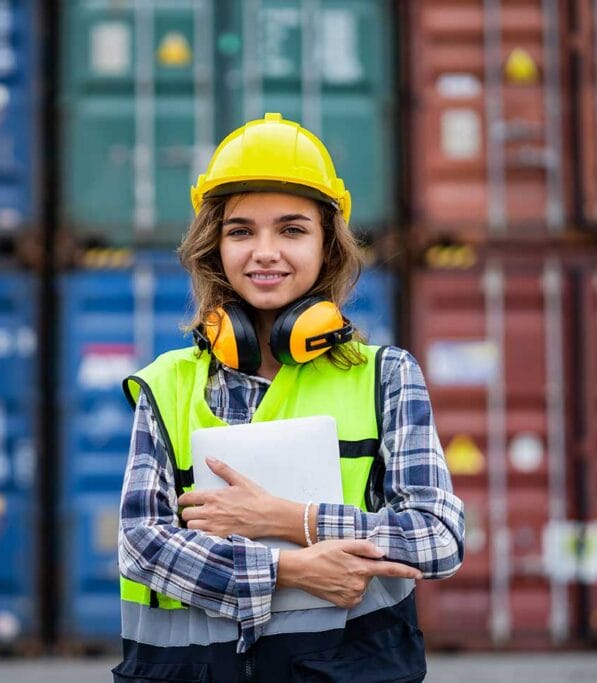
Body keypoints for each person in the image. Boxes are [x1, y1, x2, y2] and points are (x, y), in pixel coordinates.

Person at [113, 113, 465, 682]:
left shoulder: (386, 376)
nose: (264, 252)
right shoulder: (168, 382)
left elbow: (437, 537)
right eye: (241, 230)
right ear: (215, 246)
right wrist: (287, 570)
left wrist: (288, 518)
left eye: (292, 229)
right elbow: (141, 546)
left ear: (328, 245)